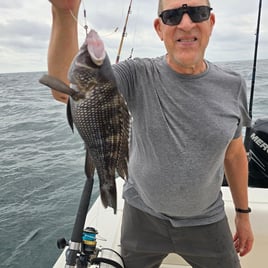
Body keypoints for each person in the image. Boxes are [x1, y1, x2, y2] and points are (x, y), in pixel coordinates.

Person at [47, 0, 254, 267]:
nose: (186, 22)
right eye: (173, 15)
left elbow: (235, 154)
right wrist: (64, 14)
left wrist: (243, 214)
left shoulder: (233, 85)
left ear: (210, 23)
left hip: (207, 220)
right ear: (159, 28)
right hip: (141, 217)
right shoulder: (138, 74)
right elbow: (65, 89)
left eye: (198, 13)